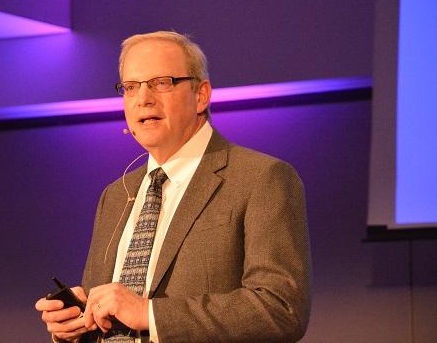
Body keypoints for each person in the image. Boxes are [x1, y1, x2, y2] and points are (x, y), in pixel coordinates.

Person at [36, 31, 311, 342]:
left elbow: (282, 308)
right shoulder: (115, 195)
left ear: (201, 95)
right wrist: (73, 329)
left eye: (161, 83)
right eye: (131, 87)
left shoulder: (260, 178)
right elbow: (109, 321)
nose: (143, 99)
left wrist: (150, 314)